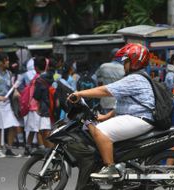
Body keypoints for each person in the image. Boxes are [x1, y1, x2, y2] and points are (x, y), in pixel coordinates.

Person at [68, 43, 155, 179]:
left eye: (125, 61)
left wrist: (80, 94)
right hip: (137, 117)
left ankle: (110, 168)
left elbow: (105, 90)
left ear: (134, 62)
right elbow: (125, 105)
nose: (123, 65)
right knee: (100, 126)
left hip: (140, 119)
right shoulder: (137, 77)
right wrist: (105, 116)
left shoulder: (135, 79)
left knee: (100, 131)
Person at [33, 56, 56, 148]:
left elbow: (36, 96)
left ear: (36, 67)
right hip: (52, 107)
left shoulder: (39, 80)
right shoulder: (52, 77)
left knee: (44, 131)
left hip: (44, 107)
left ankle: (52, 151)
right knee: (48, 130)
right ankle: (50, 150)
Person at [95, 48, 125, 114]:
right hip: (119, 102)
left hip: (105, 101)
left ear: (111, 56)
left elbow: (96, 80)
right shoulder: (124, 68)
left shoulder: (103, 66)